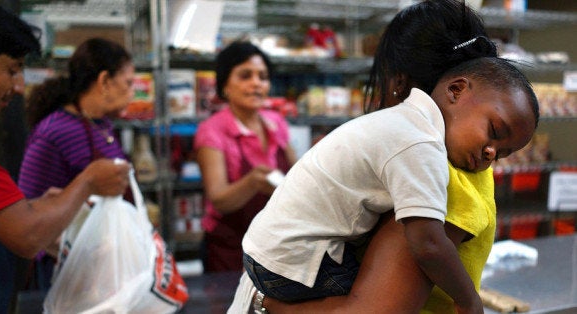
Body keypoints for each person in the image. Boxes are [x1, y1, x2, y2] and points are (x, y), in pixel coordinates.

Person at [227, 1, 509, 313]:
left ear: (398, 81)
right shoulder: (433, 151)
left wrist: (262, 302)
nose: (491, 155)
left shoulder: (434, 163)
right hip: (279, 262)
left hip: (264, 257)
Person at [0, 1, 130, 312]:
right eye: (13, 69)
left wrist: (43, 206)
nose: (19, 86)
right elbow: (27, 235)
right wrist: (86, 183)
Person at [17, 37, 135, 289]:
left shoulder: (102, 124)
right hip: (66, 270)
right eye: (128, 83)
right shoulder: (54, 132)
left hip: (104, 262)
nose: (132, 92)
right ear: (104, 81)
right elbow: (27, 208)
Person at [193, 41, 297, 272]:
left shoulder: (276, 122)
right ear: (225, 86)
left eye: (262, 76)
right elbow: (219, 198)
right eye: (245, 76)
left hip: (275, 245)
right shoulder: (212, 130)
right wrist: (252, 182)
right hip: (229, 249)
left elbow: (297, 173)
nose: (256, 84)